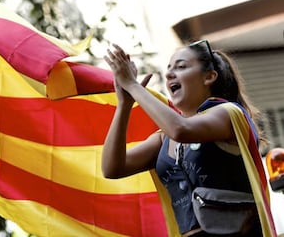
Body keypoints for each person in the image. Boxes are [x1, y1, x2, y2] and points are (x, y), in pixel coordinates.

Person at [102, 40, 276, 237]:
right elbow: (112, 168)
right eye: (168, 69)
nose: (168, 74)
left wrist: (133, 85)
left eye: (181, 66)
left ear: (209, 77)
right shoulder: (164, 138)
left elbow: (181, 130)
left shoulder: (228, 114)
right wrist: (124, 104)